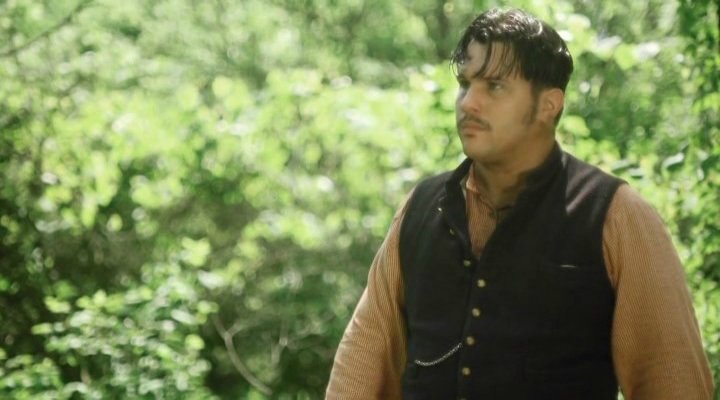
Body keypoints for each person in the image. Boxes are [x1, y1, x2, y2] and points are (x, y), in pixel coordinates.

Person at [325, 7, 715, 400]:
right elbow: (362, 361)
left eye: (494, 86)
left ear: (549, 105)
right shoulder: (422, 207)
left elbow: (673, 381)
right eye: (465, 83)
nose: (468, 103)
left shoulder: (616, 215)